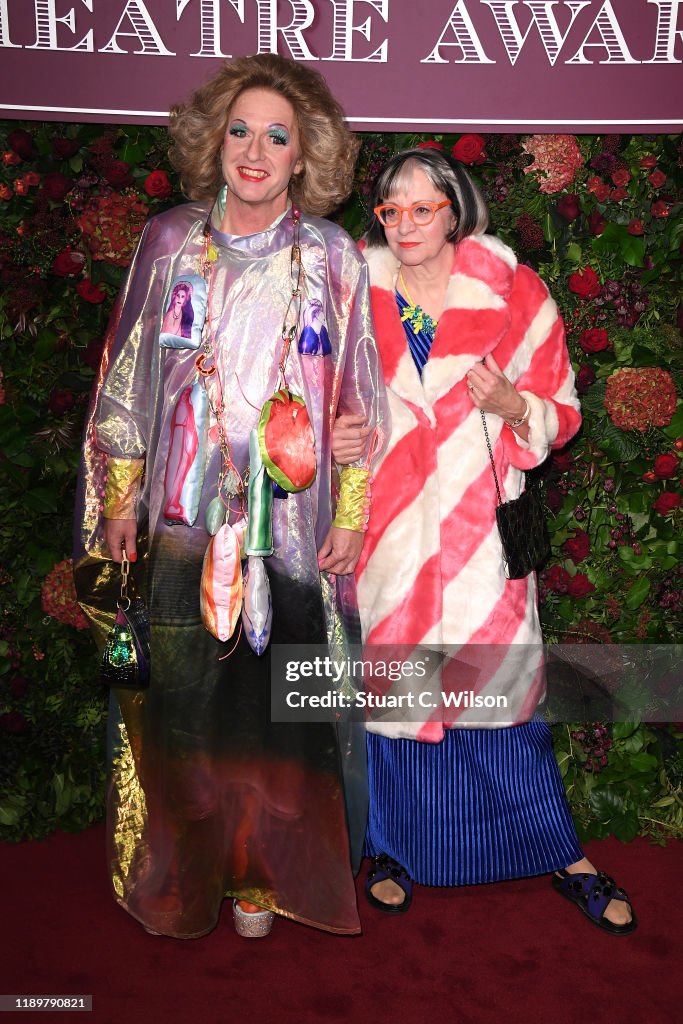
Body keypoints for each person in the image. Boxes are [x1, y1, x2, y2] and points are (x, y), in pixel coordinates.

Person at [74, 54, 386, 940]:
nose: (255, 150)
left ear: (304, 157)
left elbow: (359, 395)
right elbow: (126, 378)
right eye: (240, 130)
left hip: (290, 524)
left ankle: (263, 877)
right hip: (180, 513)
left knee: (279, 713)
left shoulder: (332, 256)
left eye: (277, 136)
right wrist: (120, 497)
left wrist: (352, 513)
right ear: (214, 143)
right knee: (184, 703)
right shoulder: (169, 239)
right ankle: (187, 871)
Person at [333, 147, 636, 936]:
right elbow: (317, 400)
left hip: (478, 540)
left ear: (455, 209)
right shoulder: (350, 296)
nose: (403, 224)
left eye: (421, 208)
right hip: (389, 537)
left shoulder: (514, 291)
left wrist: (510, 402)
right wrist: (332, 440)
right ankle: (393, 848)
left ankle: (560, 854)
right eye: (389, 210)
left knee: (500, 696)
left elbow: (562, 412)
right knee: (397, 699)